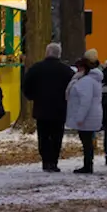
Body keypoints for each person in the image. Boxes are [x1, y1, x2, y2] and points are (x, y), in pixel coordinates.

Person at [22, 43, 75, 172]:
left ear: (46, 53)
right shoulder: (66, 70)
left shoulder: (36, 68)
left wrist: (32, 96)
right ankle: (54, 161)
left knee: (43, 135)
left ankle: (46, 160)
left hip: (42, 108)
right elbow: (73, 88)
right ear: (59, 54)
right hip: (59, 109)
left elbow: (26, 86)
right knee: (57, 135)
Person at [64, 55, 104, 174]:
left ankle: (88, 165)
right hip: (91, 115)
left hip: (87, 116)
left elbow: (85, 101)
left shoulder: (86, 81)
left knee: (86, 142)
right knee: (87, 141)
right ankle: (88, 164)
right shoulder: (91, 80)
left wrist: (80, 117)